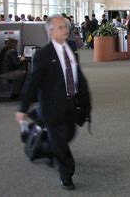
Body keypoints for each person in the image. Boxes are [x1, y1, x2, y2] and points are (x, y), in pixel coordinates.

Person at [15, 14, 91, 190]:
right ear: (50, 32)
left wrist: (85, 98)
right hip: (52, 106)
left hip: (71, 103)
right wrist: (23, 108)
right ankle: (66, 173)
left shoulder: (71, 47)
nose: (66, 30)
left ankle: (49, 146)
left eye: (66, 26)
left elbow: (77, 74)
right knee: (60, 141)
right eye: (61, 27)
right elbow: (32, 82)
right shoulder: (43, 55)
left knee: (69, 134)